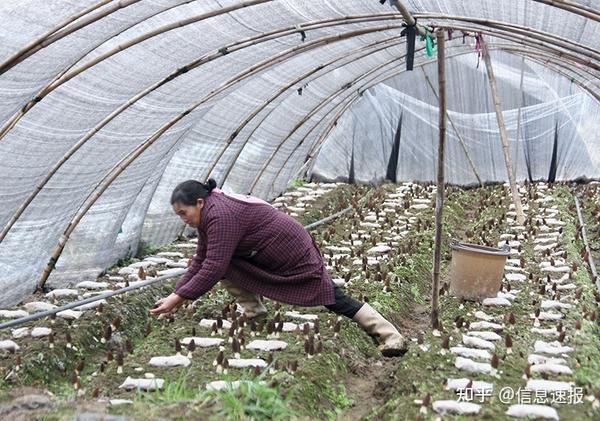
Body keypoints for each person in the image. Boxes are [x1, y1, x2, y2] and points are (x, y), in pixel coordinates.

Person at [150, 179, 407, 357]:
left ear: (200, 203)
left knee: (331, 297)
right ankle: (254, 313)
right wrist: (176, 293)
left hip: (291, 252)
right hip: (268, 252)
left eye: (184, 213)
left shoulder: (220, 215)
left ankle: (391, 335)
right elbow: (201, 259)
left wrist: (178, 298)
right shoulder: (210, 214)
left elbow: (213, 266)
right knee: (227, 265)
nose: (184, 220)